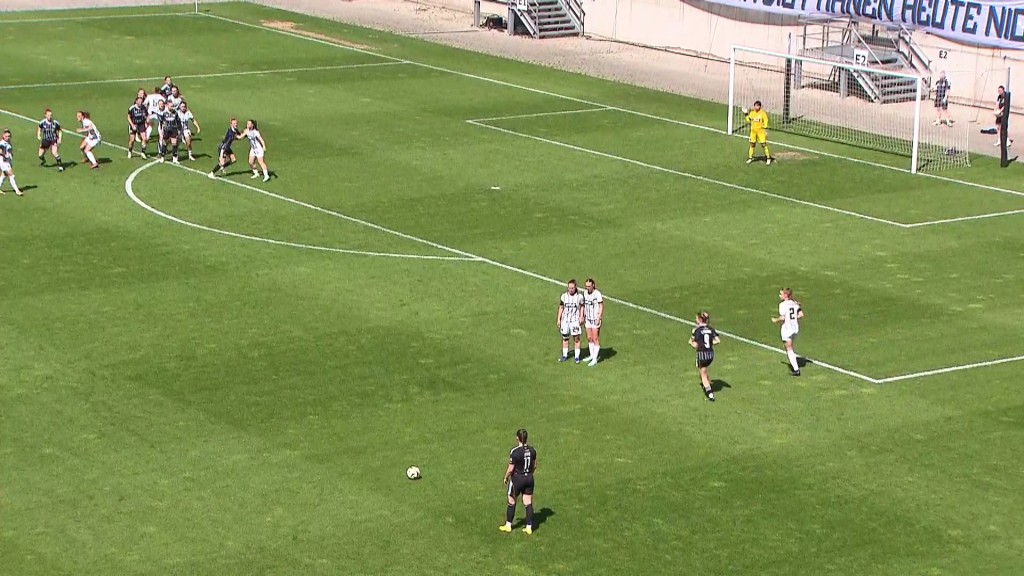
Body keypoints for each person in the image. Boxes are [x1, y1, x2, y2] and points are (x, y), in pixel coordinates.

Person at [500, 428, 537, 535]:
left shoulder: (515, 452)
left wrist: (506, 477)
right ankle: (529, 527)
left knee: (511, 501)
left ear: (517, 438)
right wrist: (529, 474)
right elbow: (534, 465)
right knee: (528, 502)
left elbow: (511, 469)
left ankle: (508, 525)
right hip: (529, 478)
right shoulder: (532, 450)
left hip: (517, 479)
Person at [772, 288, 804, 376]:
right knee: (790, 346)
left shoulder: (782, 305)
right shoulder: (795, 303)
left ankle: (796, 370)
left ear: (786, 295)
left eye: (781, 294)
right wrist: (793, 317)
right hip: (795, 328)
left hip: (787, 329)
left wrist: (776, 320)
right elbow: (801, 315)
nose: (779, 295)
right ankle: (795, 363)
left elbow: (783, 317)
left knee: (789, 349)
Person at [688, 311, 720, 401]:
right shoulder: (711, 329)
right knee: (704, 371)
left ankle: (710, 395)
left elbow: (693, 343)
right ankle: (707, 385)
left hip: (702, 354)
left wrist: (695, 344)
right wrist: (709, 343)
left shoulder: (696, 330)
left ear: (700, 320)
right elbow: (718, 340)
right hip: (710, 354)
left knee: (703, 374)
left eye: (696, 318)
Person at [557, 279, 584, 363]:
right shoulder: (564, 296)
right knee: (565, 338)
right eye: (569, 288)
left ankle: (576, 357)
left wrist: (581, 316)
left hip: (574, 321)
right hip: (565, 320)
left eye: (572, 288)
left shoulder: (579, 297)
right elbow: (561, 307)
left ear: (575, 287)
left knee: (576, 338)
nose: (571, 289)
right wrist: (558, 319)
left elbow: (582, 306)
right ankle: (565, 355)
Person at [743, 100, 773, 165]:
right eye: (755, 106)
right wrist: (746, 114)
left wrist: (765, 128)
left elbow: (766, 120)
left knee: (763, 145)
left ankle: (768, 158)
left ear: (759, 106)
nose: (756, 107)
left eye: (757, 106)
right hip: (753, 131)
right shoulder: (752, 113)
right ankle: (750, 158)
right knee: (752, 144)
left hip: (760, 131)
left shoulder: (762, 113)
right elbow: (749, 120)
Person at [582, 278, 603, 367]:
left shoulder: (597, 294)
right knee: (589, 337)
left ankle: (595, 359)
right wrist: (583, 315)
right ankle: (591, 355)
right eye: (586, 286)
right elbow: (584, 305)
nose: (587, 288)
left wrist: (599, 317)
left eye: (589, 286)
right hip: (588, 318)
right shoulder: (585, 293)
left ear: (593, 285)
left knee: (595, 338)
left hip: (595, 319)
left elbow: (601, 306)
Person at [0, 129, 24, 196]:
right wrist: (5, 155)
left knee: (4, 175)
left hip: (8, 161)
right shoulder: (2, 143)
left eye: (9, 136)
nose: (8, 137)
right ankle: (17, 191)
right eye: (6, 136)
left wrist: (10, 154)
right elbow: (0, 151)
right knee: (11, 175)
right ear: (3, 136)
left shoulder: (8, 142)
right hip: (4, 162)